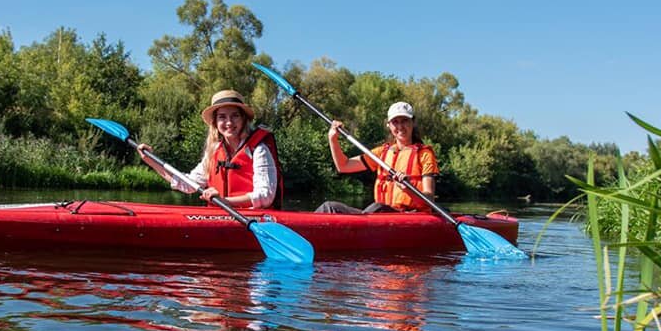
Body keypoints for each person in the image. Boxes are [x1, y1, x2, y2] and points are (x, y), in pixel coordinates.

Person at [137, 89, 283, 209]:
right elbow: (188, 184)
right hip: (219, 217)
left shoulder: (259, 150)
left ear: (243, 119)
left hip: (253, 218)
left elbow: (265, 196)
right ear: (215, 122)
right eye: (222, 117)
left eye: (235, 116)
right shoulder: (214, 151)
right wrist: (150, 161)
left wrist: (226, 202)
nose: (229, 122)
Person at [316, 101, 438, 214]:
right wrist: (333, 140)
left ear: (413, 122)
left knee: (378, 207)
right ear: (388, 125)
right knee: (329, 207)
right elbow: (344, 166)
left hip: (410, 216)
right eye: (395, 122)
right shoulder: (381, 153)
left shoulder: (424, 154)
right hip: (380, 215)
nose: (400, 126)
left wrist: (408, 189)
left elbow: (429, 198)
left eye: (405, 120)